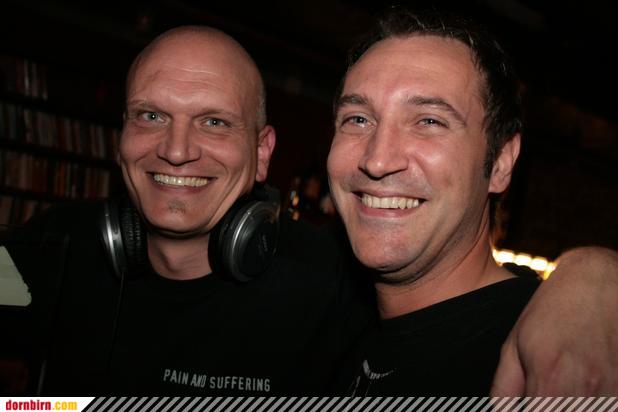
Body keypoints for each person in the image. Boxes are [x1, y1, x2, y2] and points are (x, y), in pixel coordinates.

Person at [1, 23, 616, 396]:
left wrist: (594, 275)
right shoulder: (55, 246)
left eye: (215, 122)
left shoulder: (330, 280)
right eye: (151, 116)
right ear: (121, 137)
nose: (177, 149)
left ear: (263, 152)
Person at [327, 8, 618, 395]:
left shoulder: (548, 361)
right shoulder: (321, 320)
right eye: (358, 119)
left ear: (500, 163)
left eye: (429, 121)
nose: (377, 160)